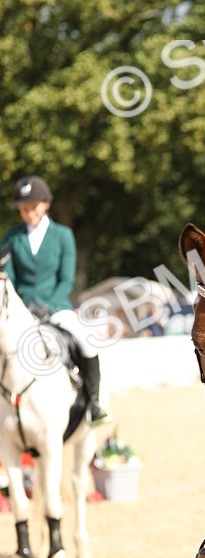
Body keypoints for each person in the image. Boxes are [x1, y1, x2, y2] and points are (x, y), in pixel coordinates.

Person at [1, 175, 112, 426]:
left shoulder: (62, 235)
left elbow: (66, 280)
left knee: (86, 342)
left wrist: (48, 306)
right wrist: (21, 308)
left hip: (56, 308)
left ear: (46, 204)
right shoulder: (12, 237)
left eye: (33, 207)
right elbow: (8, 278)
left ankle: (94, 402)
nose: (28, 213)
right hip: (21, 311)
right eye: (23, 209)